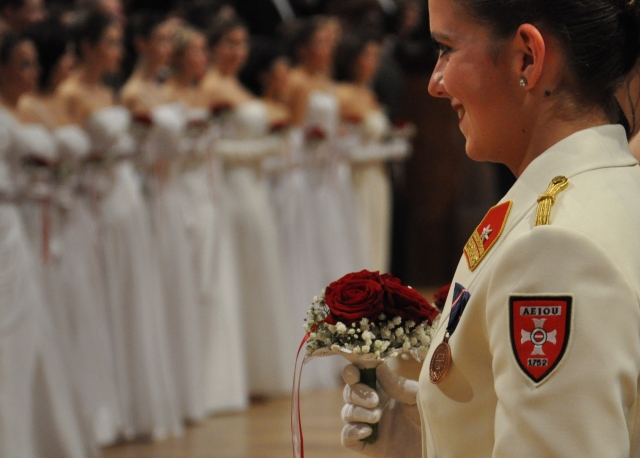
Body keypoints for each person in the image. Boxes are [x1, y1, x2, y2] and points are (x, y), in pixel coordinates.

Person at [340, 0, 640, 457]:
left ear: (527, 58)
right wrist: (427, 436)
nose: (435, 83)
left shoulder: (555, 250)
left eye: (446, 48)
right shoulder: (611, 185)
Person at [0, 30, 89, 458]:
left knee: (25, 326)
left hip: (18, 224)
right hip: (11, 220)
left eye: (35, 62)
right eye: (22, 63)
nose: (33, 72)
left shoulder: (28, 111)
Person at [202, 16, 296, 397]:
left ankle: (258, 371)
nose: (237, 51)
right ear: (211, 47)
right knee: (243, 271)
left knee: (258, 272)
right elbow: (212, 150)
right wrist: (267, 148)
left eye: (242, 44)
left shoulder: (234, 85)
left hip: (255, 187)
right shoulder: (209, 87)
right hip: (234, 189)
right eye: (229, 43)